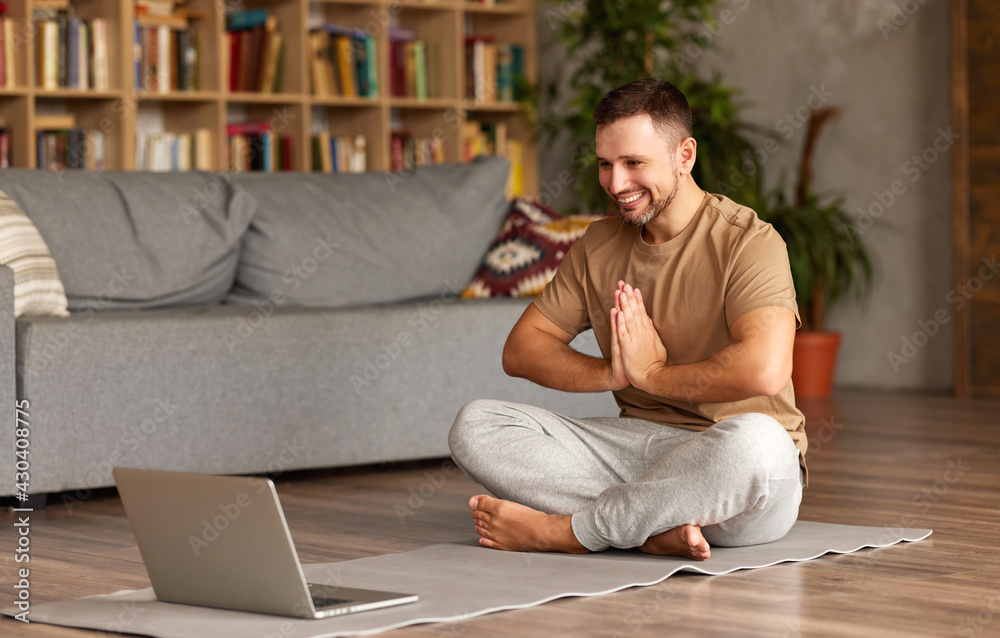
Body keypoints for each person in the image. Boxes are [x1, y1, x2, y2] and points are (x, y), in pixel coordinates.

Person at [448, 78, 807, 560]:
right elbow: (522, 350)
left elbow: (764, 370)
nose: (616, 184)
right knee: (478, 424)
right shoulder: (598, 245)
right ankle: (649, 525)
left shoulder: (750, 241)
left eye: (634, 163)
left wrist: (653, 376)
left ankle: (567, 533)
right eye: (605, 164)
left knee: (759, 444)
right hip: (638, 446)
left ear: (685, 155)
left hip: (735, 466)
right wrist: (612, 373)